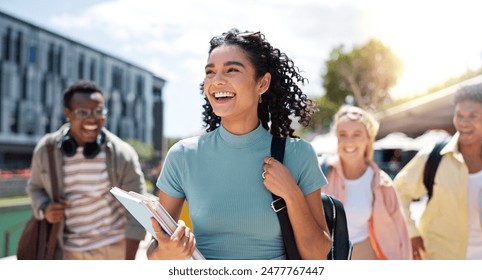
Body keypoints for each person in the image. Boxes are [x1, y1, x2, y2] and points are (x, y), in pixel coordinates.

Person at [147, 28, 331, 260]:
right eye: (210, 72)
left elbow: (317, 256)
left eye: (232, 70)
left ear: (262, 84)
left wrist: (291, 195)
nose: (217, 81)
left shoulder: (298, 154)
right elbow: (154, 253)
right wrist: (167, 252)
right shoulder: (183, 155)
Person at [27, 80, 147, 260]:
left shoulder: (124, 154)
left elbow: (138, 211)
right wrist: (45, 208)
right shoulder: (46, 149)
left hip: (113, 251)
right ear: (68, 113)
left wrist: (127, 265)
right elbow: (35, 188)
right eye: (82, 112)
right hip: (65, 252)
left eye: (98, 111)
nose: (92, 119)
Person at [394, 84, 482, 260]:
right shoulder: (433, 157)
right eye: (459, 116)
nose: (464, 123)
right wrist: (411, 232)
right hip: (440, 256)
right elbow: (397, 192)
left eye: (473, 116)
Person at [320, 105, 412, 260]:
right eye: (343, 134)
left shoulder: (382, 183)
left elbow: (400, 233)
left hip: (365, 256)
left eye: (357, 134)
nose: (349, 141)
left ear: (368, 139)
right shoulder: (320, 173)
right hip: (325, 256)